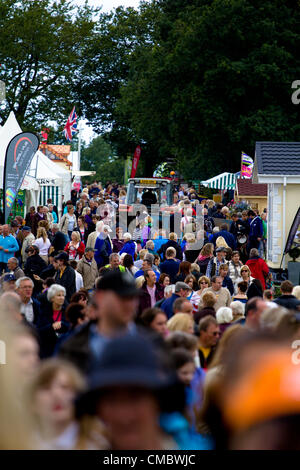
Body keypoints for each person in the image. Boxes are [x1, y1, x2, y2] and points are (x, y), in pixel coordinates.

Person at [58, 271, 140, 374]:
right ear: (100, 297)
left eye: (133, 298)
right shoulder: (72, 346)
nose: (130, 305)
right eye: (122, 298)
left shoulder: (149, 341)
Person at [27, 359, 106, 449]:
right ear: (32, 403)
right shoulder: (18, 444)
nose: (57, 395)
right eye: (46, 388)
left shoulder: (98, 444)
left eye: (65, 387)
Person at [37, 284, 69, 358]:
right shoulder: (44, 311)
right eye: (59, 295)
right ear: (52, 298)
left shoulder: (67, 311)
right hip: (47, 350)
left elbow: (72, 328)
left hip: (63, 351)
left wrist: (62, 324)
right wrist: (51, 327)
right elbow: (39, 330)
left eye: (63, 295)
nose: (62, 298)